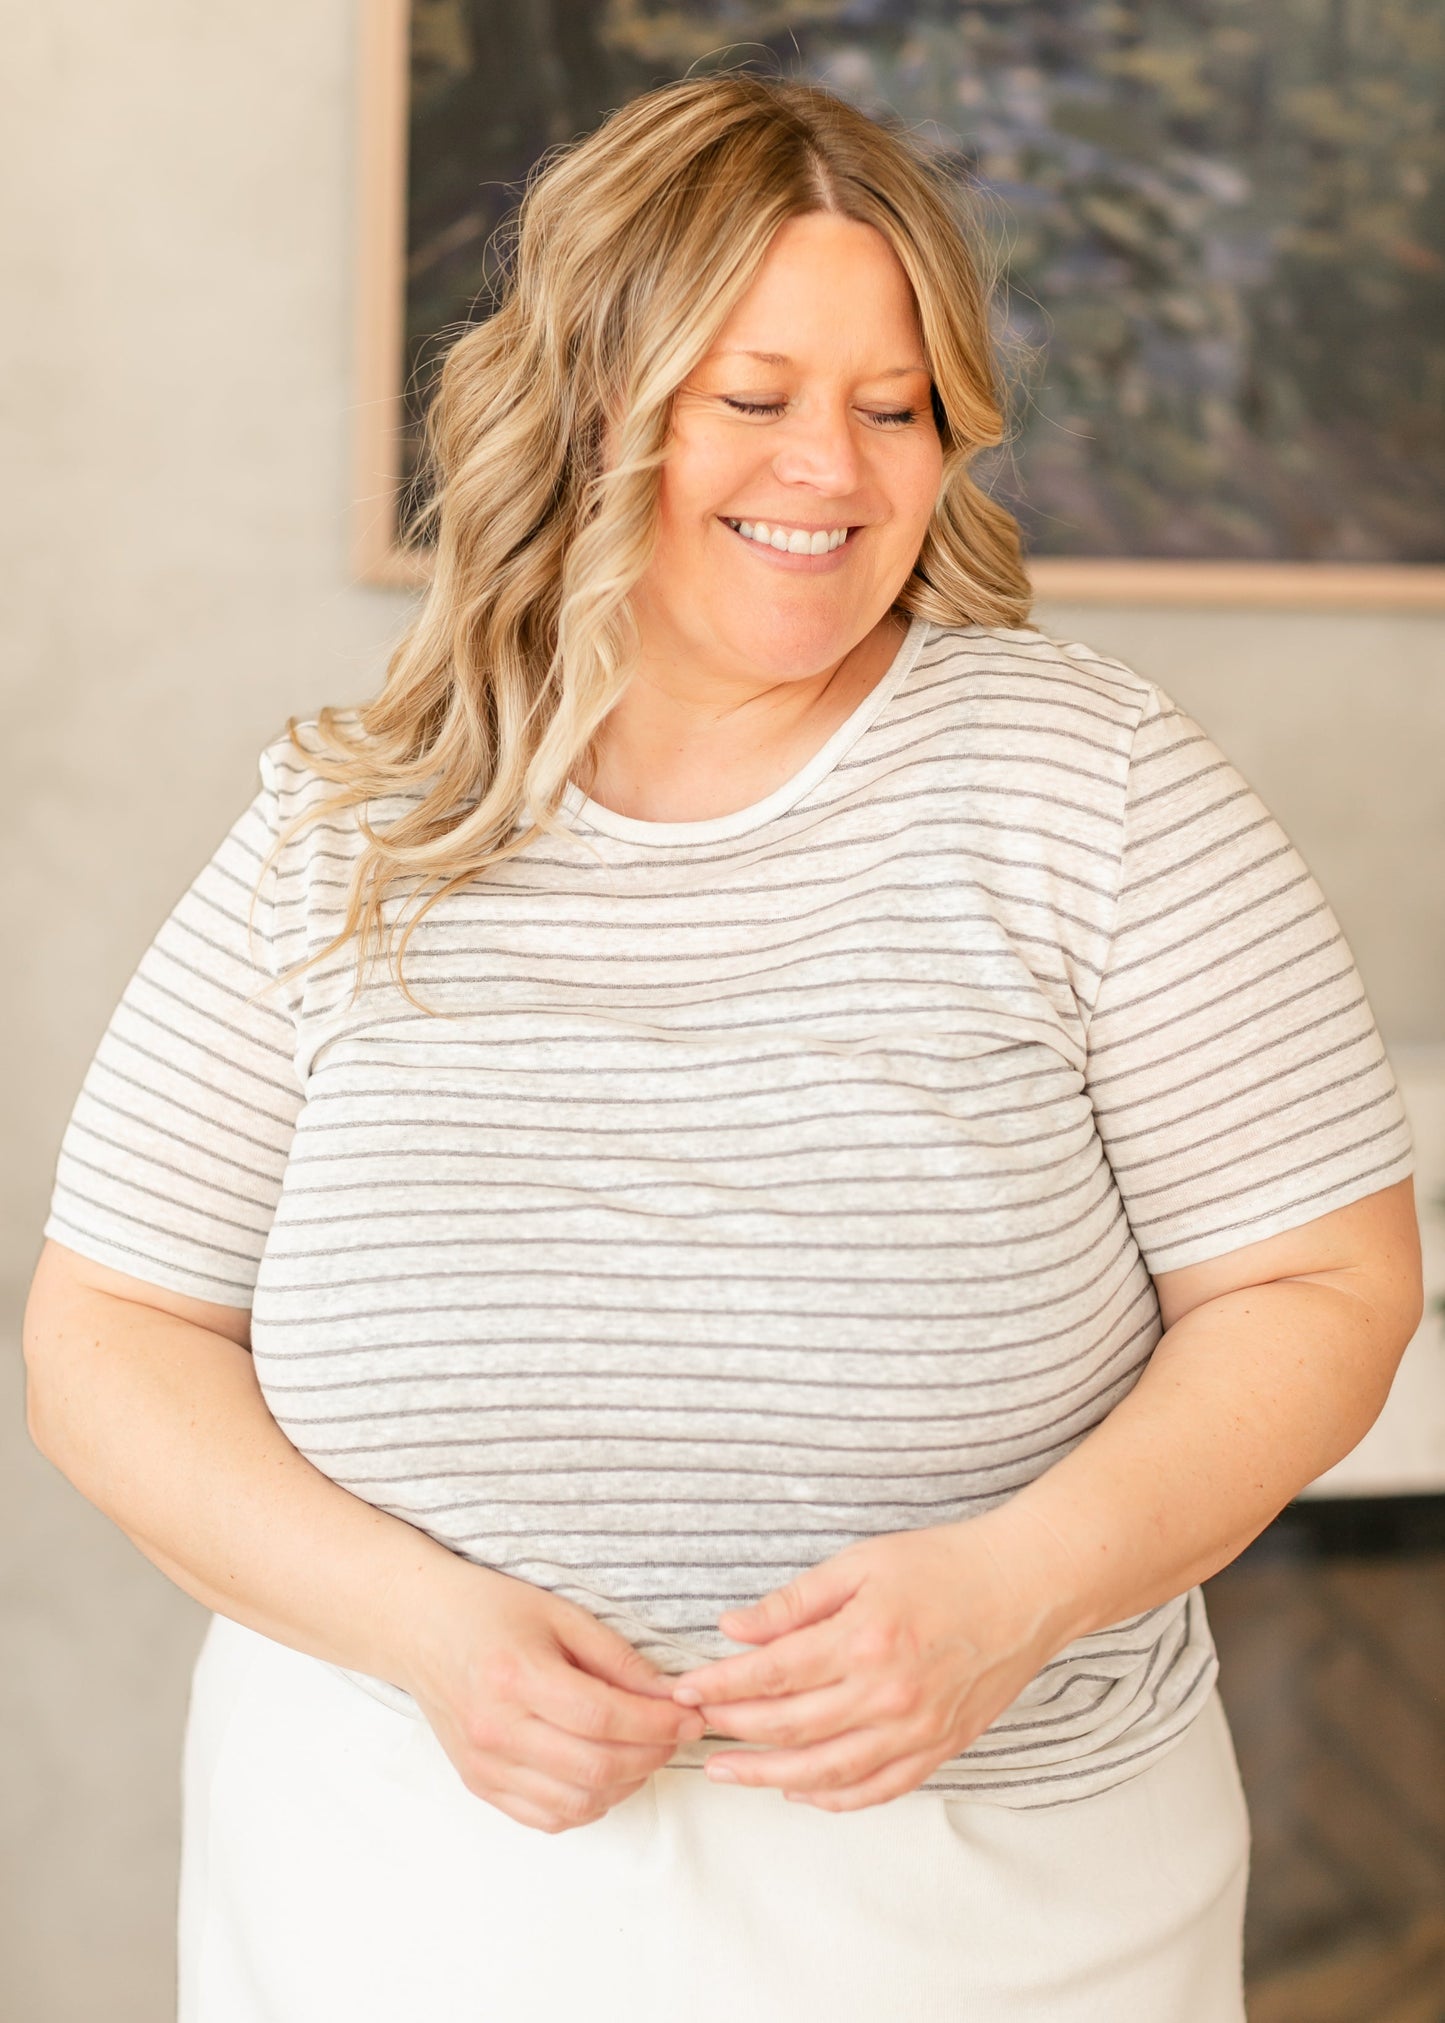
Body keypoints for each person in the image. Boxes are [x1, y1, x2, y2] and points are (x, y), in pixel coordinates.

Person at [23, 69, 1422, 2023]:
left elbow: (1324, 1282)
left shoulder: (1093, 788)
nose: (832, 471)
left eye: (896, 403)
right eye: (753, 397)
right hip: (397, 1890)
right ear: (596, 400)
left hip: (989, 1916)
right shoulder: (352, 823)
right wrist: (424, 1633)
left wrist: (1018, 1587)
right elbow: (108, 1334)